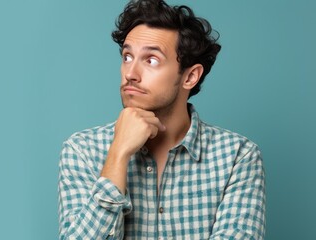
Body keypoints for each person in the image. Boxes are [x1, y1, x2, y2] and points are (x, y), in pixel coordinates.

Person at [57, 0, 266, 239]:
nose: (131, 74)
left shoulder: (237, 157)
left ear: (190, 76)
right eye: (127, 57)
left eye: (151, 60)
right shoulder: (82, 150)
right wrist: (118, 154)